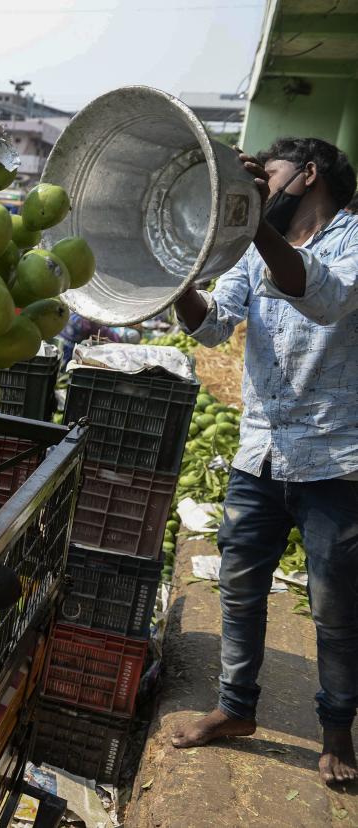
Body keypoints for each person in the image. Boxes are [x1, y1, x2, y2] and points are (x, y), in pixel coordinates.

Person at [168, 137, 358, 786]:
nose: (257, 184)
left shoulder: (352, 241)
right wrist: (176, 280)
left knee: (335, 609)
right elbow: (213, 325)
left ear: (308, 177)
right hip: (259, 455)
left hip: (336, 461)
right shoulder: (254, 248)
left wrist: (252, 220)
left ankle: (336, 731)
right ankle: (235, 708)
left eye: (267, 176)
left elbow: (323, 296)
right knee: (241, 590)